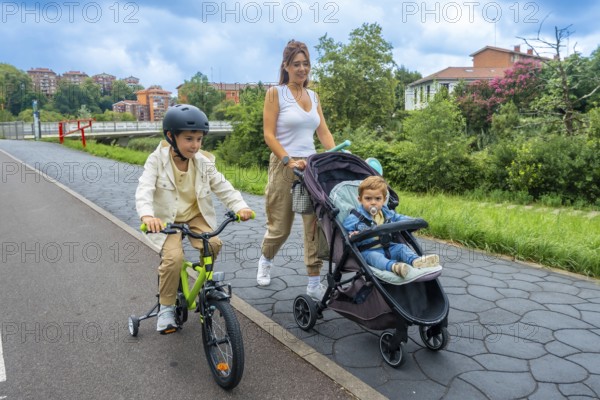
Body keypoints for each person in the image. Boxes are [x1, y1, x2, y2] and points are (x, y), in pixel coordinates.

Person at [136, 104, 254, 333]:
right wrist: (148, 215)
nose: (195, 145)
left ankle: (203, 284)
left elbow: (223, 186)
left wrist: (241, 206)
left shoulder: (203, 162)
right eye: (189, 138)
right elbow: (144, 188)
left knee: (214, 243)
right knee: (173, 259)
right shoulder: (156, 161)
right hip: (165, 220)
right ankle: (167, 307)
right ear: (171, 136)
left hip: (194, 214)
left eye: (199, 139)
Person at [257, 39, 336, 299]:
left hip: (311, 166)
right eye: (297, 64)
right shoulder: (275, 94)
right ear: (286, 66)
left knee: (314, 225)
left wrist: (335, 154)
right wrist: (288, 160)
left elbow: (322, 131)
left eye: (306, 64)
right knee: (280, 227)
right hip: (284, 165)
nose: (302, 69)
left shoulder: (313, 96)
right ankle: (266, 260)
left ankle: (314, 282)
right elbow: (269, 135)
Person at [343, 176, 442, 282]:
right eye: (368, 198)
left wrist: (413, 221)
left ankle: (416, 261)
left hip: (389, 247)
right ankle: (395, 267)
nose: (373, 202)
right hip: (369, 250)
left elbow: (398, 218)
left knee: (402, 248)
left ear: (384, 200)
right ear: (360, 200)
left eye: (377, 199)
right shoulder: (355, 217)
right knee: (376, 258)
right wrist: (352, 234)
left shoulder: (386, 212)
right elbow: (346, 231)